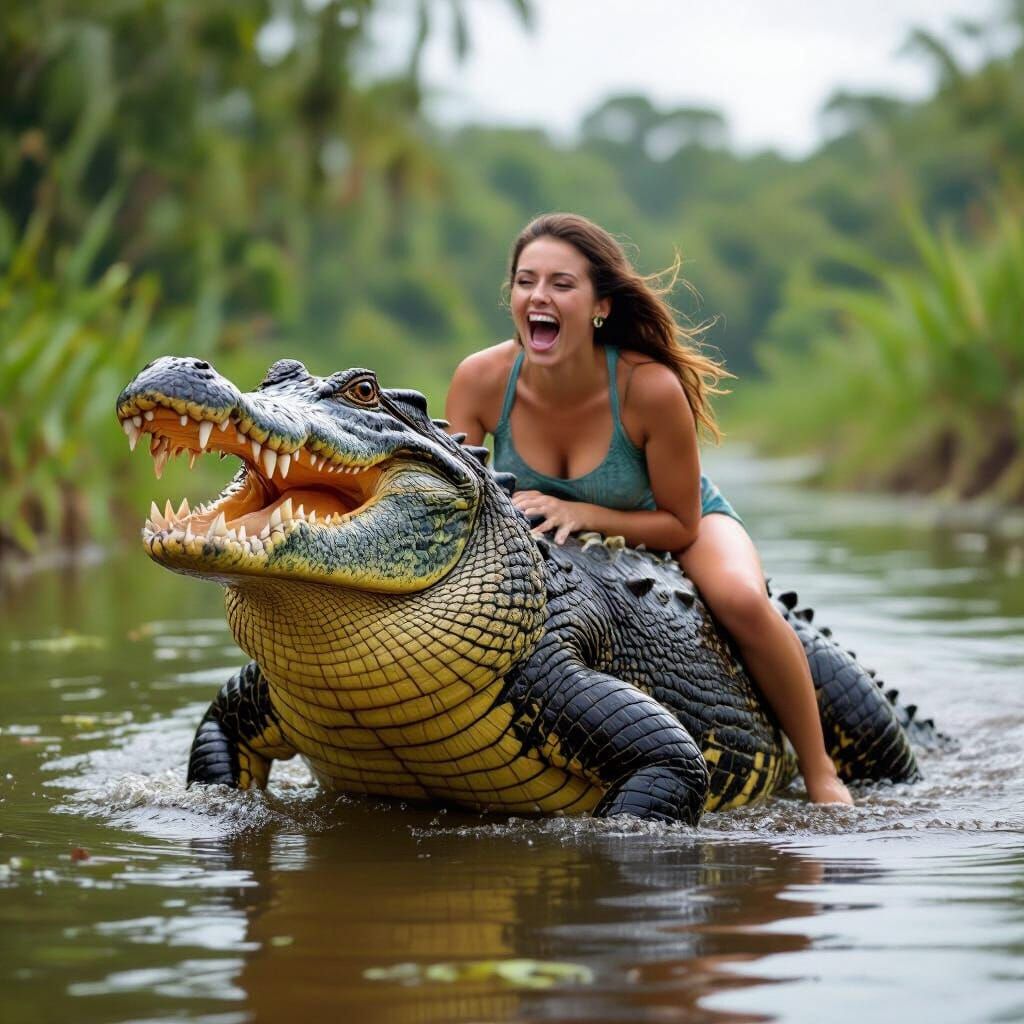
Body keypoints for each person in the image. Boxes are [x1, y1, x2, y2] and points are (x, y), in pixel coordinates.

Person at [445, 212, 853, 806]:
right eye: (526, 281)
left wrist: (583, 513)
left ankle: (820, 772)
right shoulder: (480, 379)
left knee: (742, 600)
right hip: (561, 555)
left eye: (562, 284)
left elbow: (680, 523)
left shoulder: (649, 388)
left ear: (600, 305)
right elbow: (462, 499)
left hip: (674, 520)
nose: (539, 296)